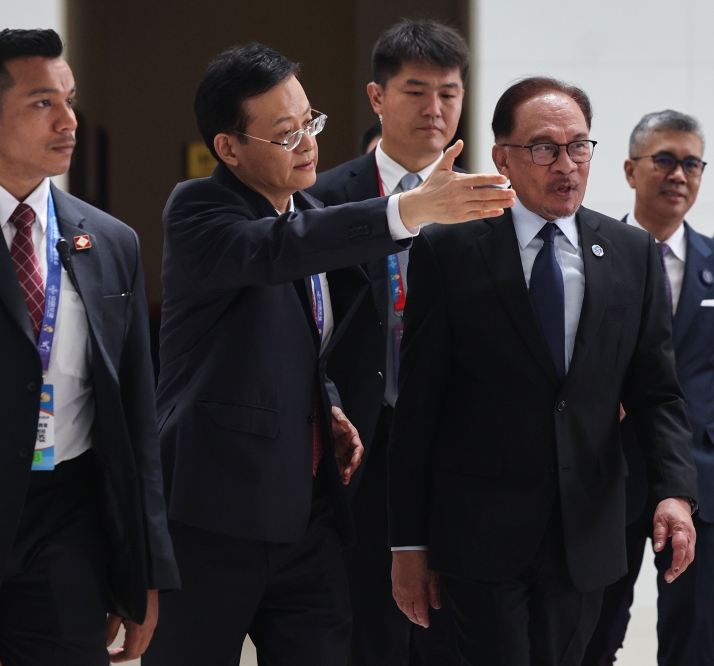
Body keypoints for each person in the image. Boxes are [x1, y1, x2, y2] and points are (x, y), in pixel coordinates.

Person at [144, 43, 513, 666]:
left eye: (310, 122)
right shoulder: (199, 209)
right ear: (228, 148)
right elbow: (276, 249)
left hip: (308, 510)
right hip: (215, 511)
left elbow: (310, 342)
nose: (308, 143)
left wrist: (329, 405)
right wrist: (409, 208)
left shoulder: (312, 210)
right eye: (286, 134)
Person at [387, 76, 699, 666]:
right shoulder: (451, 250)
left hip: (586, 525)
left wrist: (675, 493)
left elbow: (657, 391)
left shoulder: (631, 254)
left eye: (578, 146)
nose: (566, 165)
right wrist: (407, 543)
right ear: (502, 157)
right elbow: (419, 404)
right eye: (543, 148)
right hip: (480, 529)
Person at [0, 29, 178, 665]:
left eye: (69, 99)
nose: (68, 121)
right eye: (42, 103)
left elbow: (136, 420)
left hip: (67, 523)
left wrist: (145, 569)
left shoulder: (110, 242)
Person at [308, 19, 468, 666]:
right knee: (363, 624)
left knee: (449, 625)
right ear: (377, 97)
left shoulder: (485, 202)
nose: (435, 109)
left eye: (449, 93)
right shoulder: (322, 198)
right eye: (416, 91)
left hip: (454, 439)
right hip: (357, 431)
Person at [582, 111, 714, 666]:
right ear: (630, 170)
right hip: (607, 472)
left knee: (693, 634)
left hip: (697, 472)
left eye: (692, 164)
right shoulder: (588, 250)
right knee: (595, 630)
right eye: (665, 160)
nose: (679, 174)